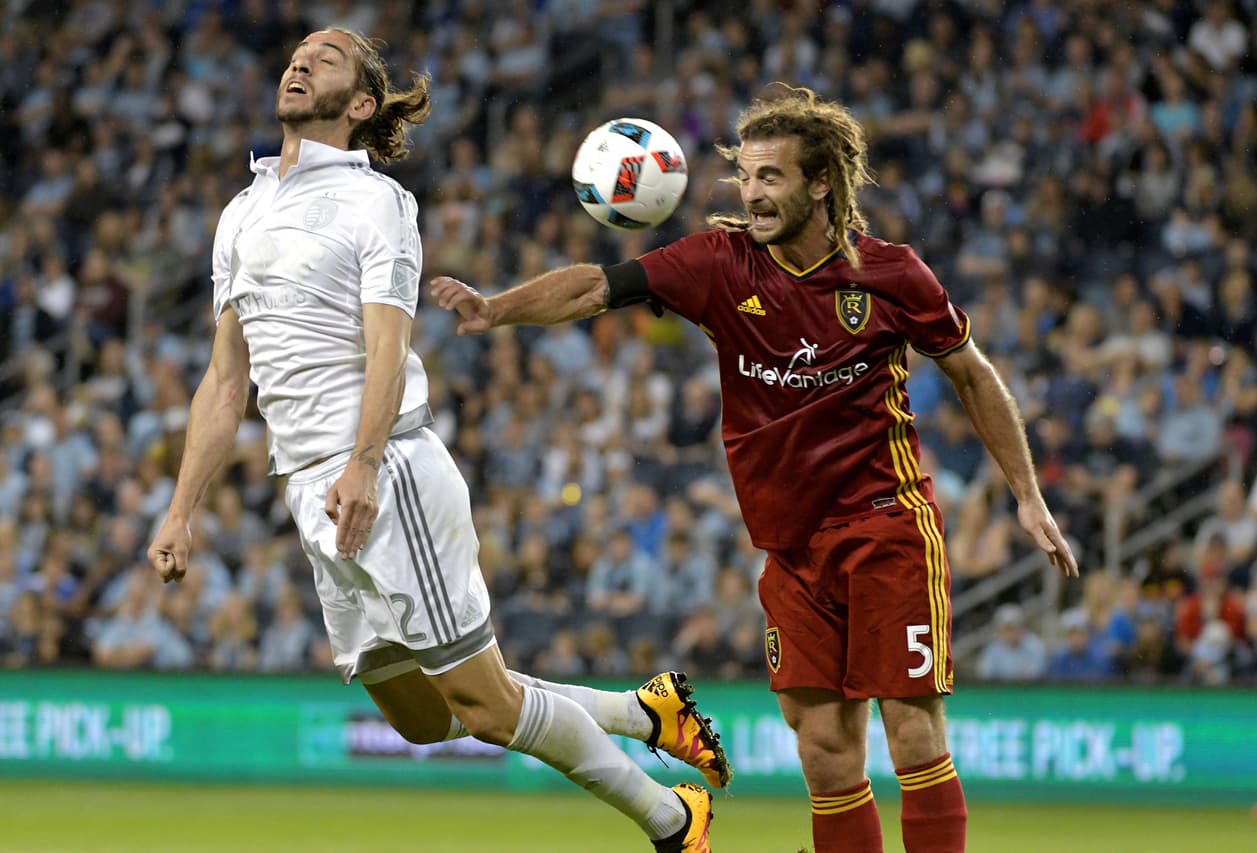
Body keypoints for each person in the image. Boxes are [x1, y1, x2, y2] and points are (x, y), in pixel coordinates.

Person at [431, 86, 1079, 853]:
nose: (753, 193)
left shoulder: (892, 275)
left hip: (886, 524)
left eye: (772, 177)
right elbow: (599, 286)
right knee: (824, 748)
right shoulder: (718, 264)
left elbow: (972, 373)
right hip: (790, 550)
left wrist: (1027, 496)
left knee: (911, 732)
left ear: (820, 184)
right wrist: (496, 308)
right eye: (748, 176)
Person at [145, 29, 726, 853]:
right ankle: (642, 711)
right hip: (309, 488)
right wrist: (181, 509)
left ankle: (673, 820)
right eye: (300, 50)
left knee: (484, 707)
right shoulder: (241, 213)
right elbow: (225, 379)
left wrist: (365, 464)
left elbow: (389, 344)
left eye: (329, 58)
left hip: (387, 477)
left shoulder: (374, 202)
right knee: (423, 715)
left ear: (360, 106)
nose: (301, 60)